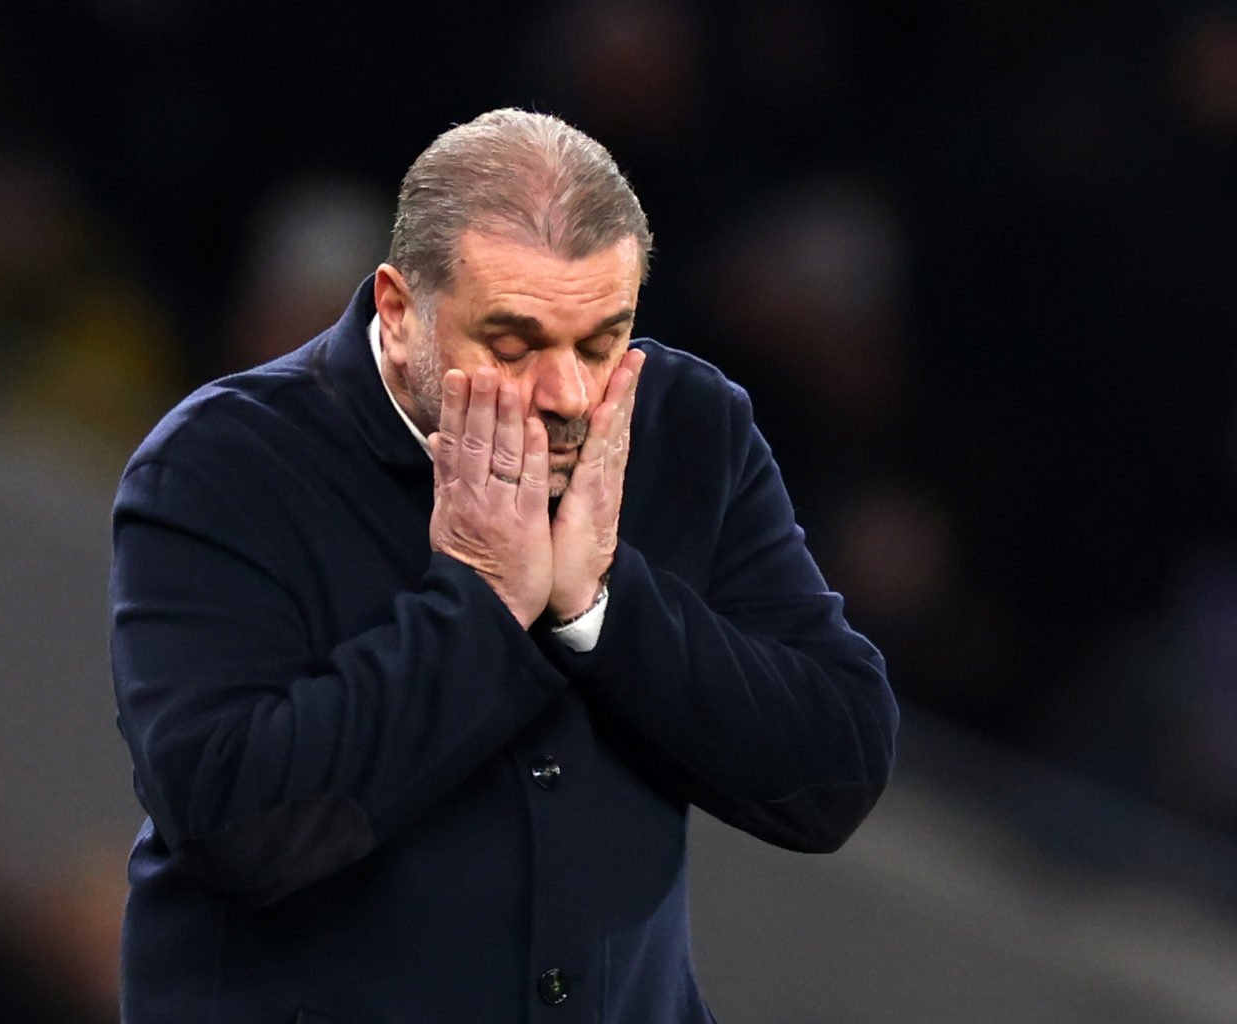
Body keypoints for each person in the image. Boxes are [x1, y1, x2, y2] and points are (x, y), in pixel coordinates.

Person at [109, 108, 898, 1023]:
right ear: (401, 314)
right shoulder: (219, 466)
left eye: (602, 341)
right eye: (514, 346)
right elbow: (235, 825)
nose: (567, 396)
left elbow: (834, 769)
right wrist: (481, 603)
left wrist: (599, 608)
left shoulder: (687, 427)